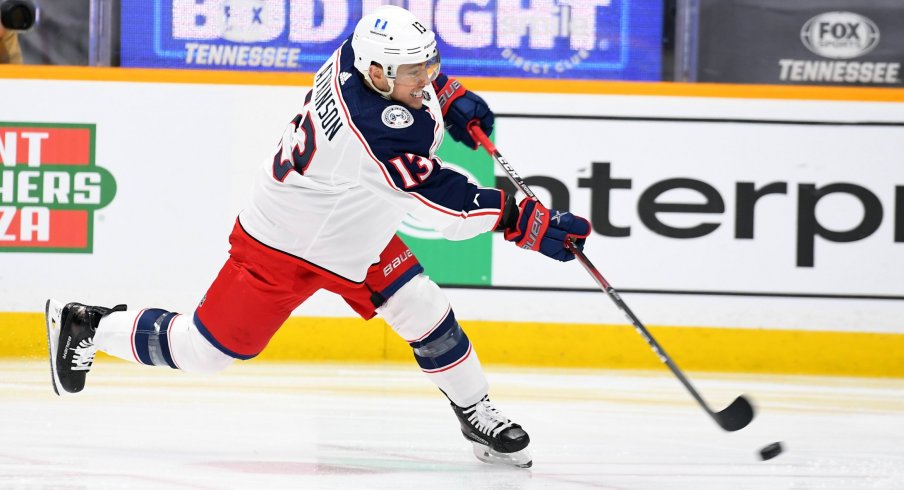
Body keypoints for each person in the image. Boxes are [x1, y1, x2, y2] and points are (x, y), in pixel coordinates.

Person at [45, 5, 591, 468]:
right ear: (376, 73)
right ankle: (89, 324)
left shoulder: (352, 61)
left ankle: (477, 414)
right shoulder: (375, 129)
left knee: (423, 307)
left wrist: (445, 91)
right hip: (282, 242)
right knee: (204, 353)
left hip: (355, 229)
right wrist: (525, 222)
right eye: (413, 74)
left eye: (428, 66)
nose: (422, 79)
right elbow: (441, 200)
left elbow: (412, 91)